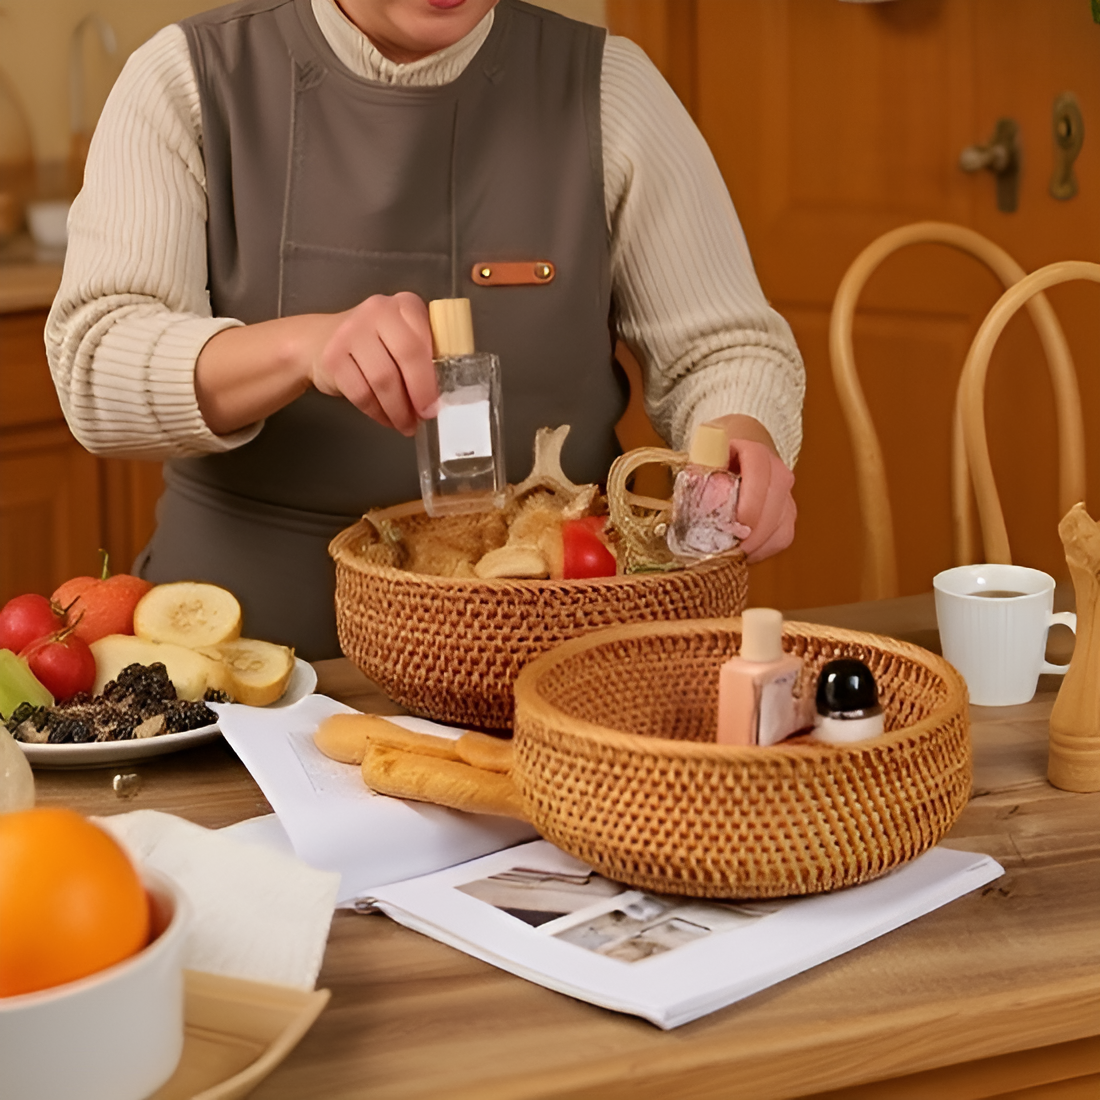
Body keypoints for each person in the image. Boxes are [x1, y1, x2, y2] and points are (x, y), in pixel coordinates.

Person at [46, 0, 804, 660]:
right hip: (237, 654)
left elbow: (721, 349)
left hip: (549, 645)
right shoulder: (186, 79)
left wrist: (740, 431)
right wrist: (299, 347)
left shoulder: (613, 88)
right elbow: (95, 365)